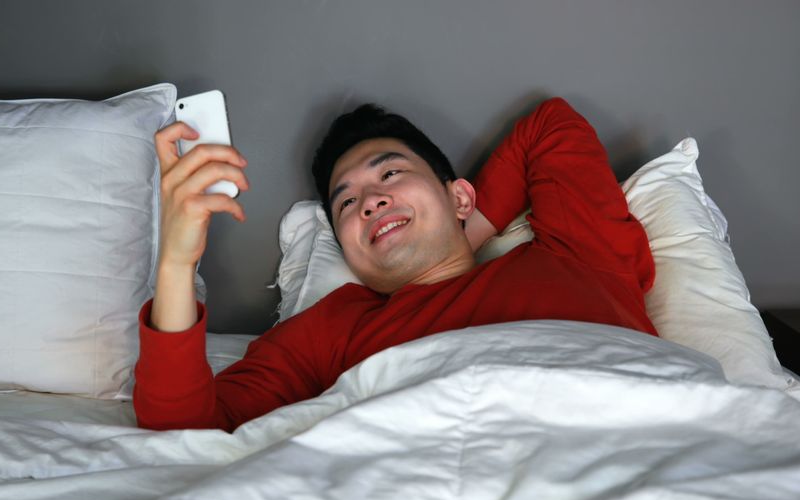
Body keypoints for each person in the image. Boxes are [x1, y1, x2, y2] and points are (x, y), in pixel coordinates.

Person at [134, 97, 657, 432]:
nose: (370, 201)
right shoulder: (336, 327)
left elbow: (552, 125)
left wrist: (458, 239)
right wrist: (176, 263)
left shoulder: (575, 256)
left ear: (460, 198)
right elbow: (183, 428)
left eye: (391, 174)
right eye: (346, 203)